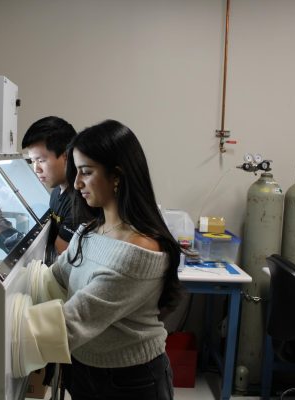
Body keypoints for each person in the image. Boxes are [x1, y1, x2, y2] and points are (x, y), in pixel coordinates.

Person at [18, 119, 182, 400]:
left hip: (129, 382)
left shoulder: (138, 252)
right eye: (76, 172)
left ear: (116, 175)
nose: (77, 182)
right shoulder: (90, 231)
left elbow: (73, 322)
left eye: (86, 172)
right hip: (84, 370)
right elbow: (53, 280)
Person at [21, 116, 80, 265]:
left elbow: (61, 251)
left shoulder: (79, 201)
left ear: (67, 156)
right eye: (32, 161)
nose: (36, 169)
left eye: (41, 160)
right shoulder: (56, 192)